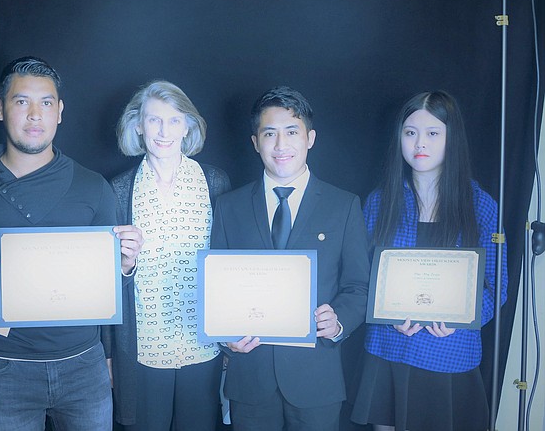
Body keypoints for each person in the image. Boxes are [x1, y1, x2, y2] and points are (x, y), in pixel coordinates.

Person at [0, 56, 143, 431]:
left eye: (46, 103)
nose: (34, 115)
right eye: (21, 101)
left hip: (83, 365)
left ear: (59, 111)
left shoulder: (93, 187)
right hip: (2, 367)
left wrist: (125, 266)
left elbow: (112, 285)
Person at [210, 86, 370, 431]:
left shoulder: (343, 206)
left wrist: (339, 320)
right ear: (255, 142)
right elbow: (215, 287)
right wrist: (225, 336)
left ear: (310, 138)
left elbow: (359, 286)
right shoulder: (229, 207)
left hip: (317, 379)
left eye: (292, 132)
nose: (281, 146)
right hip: (249, 377)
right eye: (270, 134)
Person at [350, 90, 509, 431]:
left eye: (433, 133)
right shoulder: (379, 203)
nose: (419, 142)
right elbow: (360, 278)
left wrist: (462, 317)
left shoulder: (481, 207)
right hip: (389, 347)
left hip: (450, 351)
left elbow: (497, 287)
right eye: (410, 133)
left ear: (452, 138)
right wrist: (386, 314)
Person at [107, 80, 232, 430]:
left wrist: (232, 332)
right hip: (143, 352)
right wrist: (108, 354)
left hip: (204, 349)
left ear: (188, 126)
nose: (164, 131)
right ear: (137, 125)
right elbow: (104, 281)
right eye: (153, 120)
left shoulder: (215, 183)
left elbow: (231, 266)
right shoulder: (118, 191)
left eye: (175, 120)